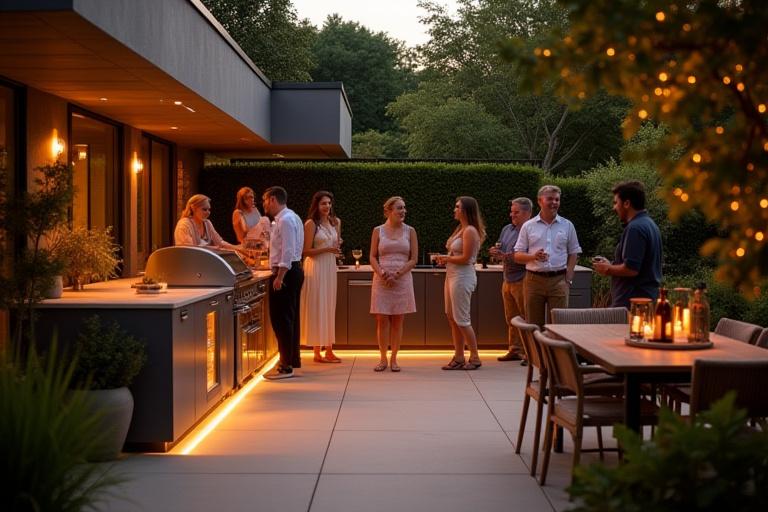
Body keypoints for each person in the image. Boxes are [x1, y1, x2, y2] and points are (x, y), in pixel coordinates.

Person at [514, 185, 582, 328]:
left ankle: (555, 345)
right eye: (550, 199)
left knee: (559, 325)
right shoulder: (528, 226)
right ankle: (535, 345)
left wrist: (568, 278)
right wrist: (533, 257)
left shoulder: (567, 225)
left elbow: (574, 252)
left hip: (559, 280)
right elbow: (517, 255)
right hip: (533, 281)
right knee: (533, 325)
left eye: (557, 199)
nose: (554, 203)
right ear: (540, 201)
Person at [592, 180, 662, 308]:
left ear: (627, 203)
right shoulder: (650, 224)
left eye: (616, 203)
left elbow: (631, 269)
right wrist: (611, 265)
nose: (614, 208)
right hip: (646, 300)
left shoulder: (635, 228)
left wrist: (607, 269)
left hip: (632, 305)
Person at [369, 196, 418, 372]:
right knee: (382, 320)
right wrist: (382, 273)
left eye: (404, 208)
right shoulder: (378, 231)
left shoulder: (410, 231)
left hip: (402, 279)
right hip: (381, 279)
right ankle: (383, 359)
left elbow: (414, 259)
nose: (403, 211)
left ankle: (394, 359)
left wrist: (397, 274)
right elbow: (372, 256)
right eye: (399, 208)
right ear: (388, 211)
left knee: (398, 320)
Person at [262, 186, 304, 380]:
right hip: (293, 270)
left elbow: (287, 250)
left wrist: (280, 276)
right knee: (290, 318)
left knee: (281, 319)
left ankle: (285, 366)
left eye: (265, 200)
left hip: (286, 272)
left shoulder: (285, 220)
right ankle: (291, 359)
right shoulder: (292, 217)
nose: (264, 204)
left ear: (272, 199)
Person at [438, 196, 485, 371]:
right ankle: (458, 356)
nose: (454, 209)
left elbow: (466, 258)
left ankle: (475, 357)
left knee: (462, 319)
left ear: (465, 210)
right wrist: (447, 259)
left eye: (457, 207)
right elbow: (458, 255)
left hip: (462, 277)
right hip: (452, 275)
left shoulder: (470, 231)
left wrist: (446, 258)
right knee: (452, 317)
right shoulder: (461, 229)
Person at [300, 191, 343, 363]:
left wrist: (336, 247)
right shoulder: (311, 224)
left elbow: (336, 245)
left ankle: (329, 350)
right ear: (316, 205)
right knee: (317, 306)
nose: (327, 206)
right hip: (316, 267)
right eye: (323, 203)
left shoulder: (335, 222)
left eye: (329, 203)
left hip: (330, 266)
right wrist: (327, 249)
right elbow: (305, 251)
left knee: (329, 305)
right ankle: (317, 352)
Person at [489, 197, 533, 363]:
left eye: (516, 212)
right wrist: (495, 252)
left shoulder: (531, 231)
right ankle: (515, 349)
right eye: (511, 211)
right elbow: (502, 247)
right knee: (511, 317)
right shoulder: (507, 229)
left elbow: (529, 256)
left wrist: (506, 256)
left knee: (526, 317)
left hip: (524, 278)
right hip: (507, 278)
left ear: (527, 213)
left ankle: (530, 353)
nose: (511, 215)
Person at [174, 194, 239, 249]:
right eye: (204, 209)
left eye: (209, 210)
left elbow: (220, 242)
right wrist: (214, 248)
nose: (208, 213)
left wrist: (237, 248)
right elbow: (188, 249)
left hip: (204, 259)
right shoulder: (184, 224)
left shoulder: (207, 223)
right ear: (193, 208)